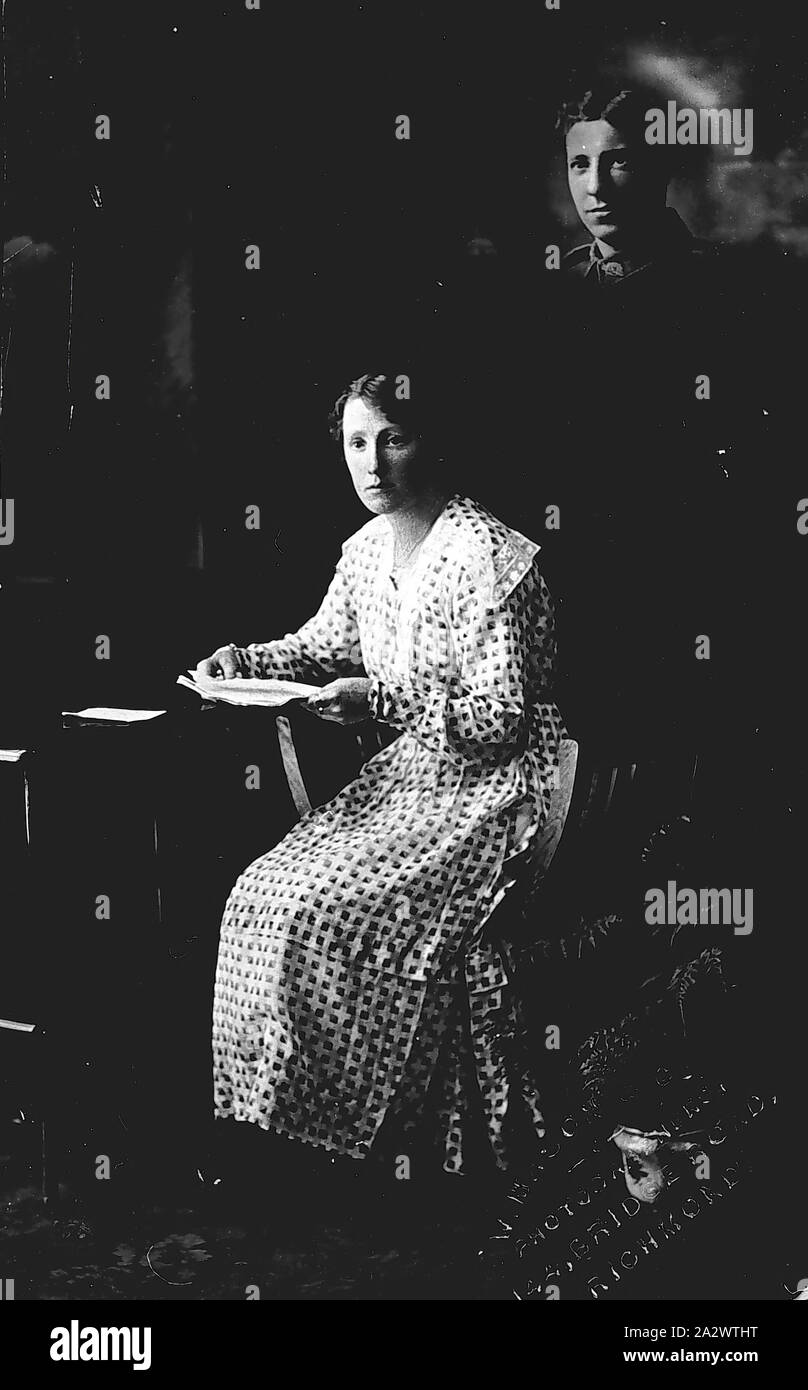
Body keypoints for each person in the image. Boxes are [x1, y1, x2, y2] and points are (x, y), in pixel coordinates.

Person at [195, 372, 568, 1180]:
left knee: (319, 909)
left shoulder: (493, 559)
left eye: (393, 438)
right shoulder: (366, 550)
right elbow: (321, 642)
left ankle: (358, 1143)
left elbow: (502, 720)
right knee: (259, 894)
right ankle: (273, 1129)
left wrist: (383, 700)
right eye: (357, 442)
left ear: (435, 443)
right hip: (407, 783)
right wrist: (248, 659)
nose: (373, 462)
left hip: (494, 796)